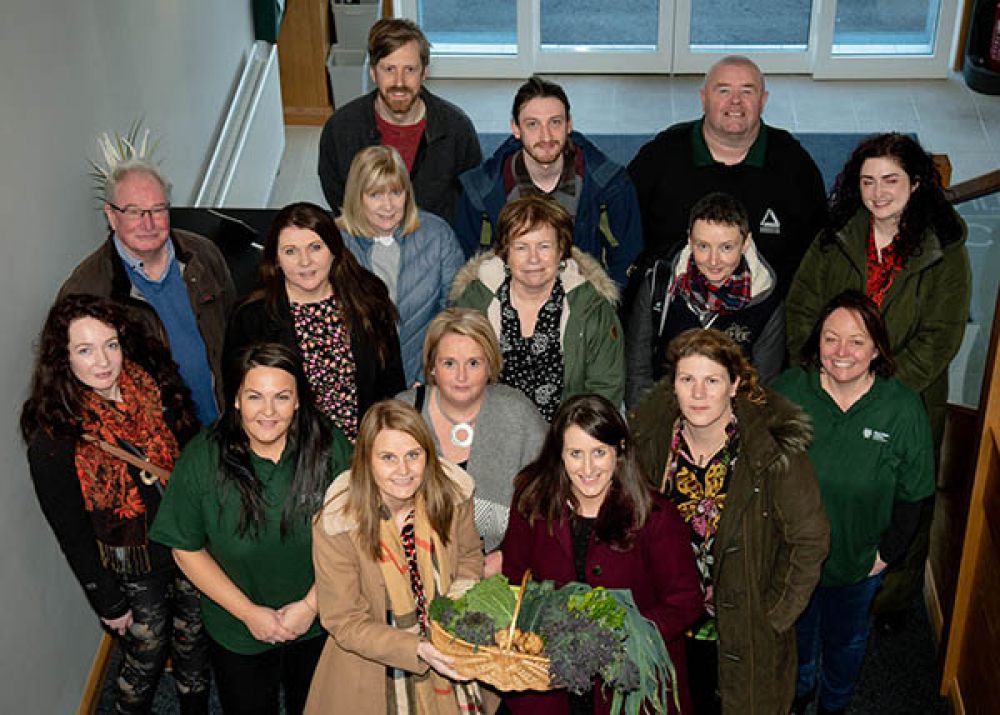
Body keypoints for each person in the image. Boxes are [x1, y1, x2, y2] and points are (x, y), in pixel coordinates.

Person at [785, 132, 971, 630]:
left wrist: (878, 388)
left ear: (915, 183)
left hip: (907, 399)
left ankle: (889, 603)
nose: (878, 192)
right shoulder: (836, 236)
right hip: (829, 393)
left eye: (890, 180)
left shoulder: (944, 247)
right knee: (832, 491)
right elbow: (803, 306)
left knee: (904, 502)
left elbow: (940, 335)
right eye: (867, 181)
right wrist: (821, 371)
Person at [20, 294, 210, 714]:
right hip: (133, 570)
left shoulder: (154, 386)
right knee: (145, 658)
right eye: (85, 350)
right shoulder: (53, 439)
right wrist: (107, 600)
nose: (103, 361)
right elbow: (70, 533)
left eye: (111, 344)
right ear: (63, 357)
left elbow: (191, 461)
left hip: (184, 545)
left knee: (194, 638)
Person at [629, 328, 829, 715]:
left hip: (744, 627)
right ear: (674, 386)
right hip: (670, 624)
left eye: (712, 380)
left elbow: (811, 540)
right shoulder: (649, 444)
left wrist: (776, 614)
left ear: (734, 385)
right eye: (687, 379)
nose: (699, 393)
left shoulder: (772, 453)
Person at [149, 343, 353, 715]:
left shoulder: (329, 446)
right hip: (237, 629)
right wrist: (248, 613)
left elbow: (357, 531)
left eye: (282, 397)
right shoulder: (202, 458)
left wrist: (312, 605)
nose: (269, 412)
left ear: (298, 402)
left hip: (321, 618)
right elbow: (186, 549)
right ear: (237, 400)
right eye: (255, 396)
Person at [775, 291, 934, 715]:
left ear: (877, 348)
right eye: (831, 339)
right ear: (817, 343)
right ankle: (796, 698)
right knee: (796, 643)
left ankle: (833, 706)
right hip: (793, 561)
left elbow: (914, 495)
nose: (841, 352)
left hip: (858, 565)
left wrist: (883, 557)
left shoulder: (902, 409)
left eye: (857, 341)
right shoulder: (788, 391)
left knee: (845, 646)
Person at [501, 394, 704, 715]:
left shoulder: (655, 515)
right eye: (575, 454)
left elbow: (687, 601)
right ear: (559, 455)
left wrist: (625, 635)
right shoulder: (532, 503)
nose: (588, 468)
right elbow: (513, 582)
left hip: (632, 686)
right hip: (550, 685)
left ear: (619, 450)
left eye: (599, 453)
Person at [305, 400, 486, 715]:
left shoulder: (453, 497)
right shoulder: (337, 522)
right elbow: (344, 620)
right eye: (388, 458)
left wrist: (454, 617)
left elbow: (470, 558)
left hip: (450, 648)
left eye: (413, 455)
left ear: (427, 455)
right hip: (372, 666)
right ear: (366, 461)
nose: (403, 471)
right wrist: (418, 649)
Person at [627, 56, 826, 299]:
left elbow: (818, 253)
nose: (735, 101)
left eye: (747, 91)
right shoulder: (659, 157)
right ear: (704, 99)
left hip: (764, 311)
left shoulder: (795, 166)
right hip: (674, 307)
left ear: (763, 101)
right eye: (723, 90)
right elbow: (625, 235)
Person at [60, 159, 236, 426]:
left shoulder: (204, 255)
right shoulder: (87, 290)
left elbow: (237, 334)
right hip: (156, 448)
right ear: (111, 215)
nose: (148, 223)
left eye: (157, 209)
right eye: (133, 212)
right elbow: (72, 384)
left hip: (226, 426)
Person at [224, 202, 405, 442]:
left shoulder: (369, 301)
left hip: (363, 452)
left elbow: (391, 389)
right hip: (290, 459)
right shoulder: (250, 318)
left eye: (315, 247)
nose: (305, 261)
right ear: (276, 259)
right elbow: (237, 401)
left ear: (333, 249)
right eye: (290, 251)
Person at [454, 76, 642, 288]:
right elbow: (469, 269)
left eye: (555, 122)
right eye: (532, 124)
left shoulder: (611, 186)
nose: (546, 136)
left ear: (569, 124)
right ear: (516, 129)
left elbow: (626, 262)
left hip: (586, 303)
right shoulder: (480, 192)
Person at [397, 307, 546, 573]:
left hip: (498, 570)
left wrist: (509, 556)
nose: (462, 376)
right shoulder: (404, 413)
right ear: (431, 367)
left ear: (490, 365)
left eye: (474, 363)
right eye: (449, 363)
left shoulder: (518, 413)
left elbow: (549, 500)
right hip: (412, 569)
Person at [451, 196, 625, 419]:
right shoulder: (473, 303)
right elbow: (452, 379)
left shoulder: (592, 309)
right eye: (521, 247)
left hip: (568, 439)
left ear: (561, 249)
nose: (533, 259)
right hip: (488, 433)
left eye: (544, 246)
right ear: (506, 253)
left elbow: (605, 391)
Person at [625, 192, 784, 409]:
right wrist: (645, 428)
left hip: (731, 421)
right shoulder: (659, 284)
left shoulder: (766, 300)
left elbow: (762, 387)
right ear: (689, 240)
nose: (713, 260)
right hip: (662, 413)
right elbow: (637, 371)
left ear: (746, 243)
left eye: (726, 247)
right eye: (702, 246)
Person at [318, 18, 482, 225]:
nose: (399, 82)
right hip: (366, 240)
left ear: (424, 72)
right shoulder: (340, 129)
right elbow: (338, 197)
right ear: (372, 72)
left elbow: (471, 199)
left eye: (410, 70)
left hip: (434, 243)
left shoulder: (456, 129)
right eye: (389, 69)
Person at [336, 145, 465, 385]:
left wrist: (430, 374)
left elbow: (456, 312)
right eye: (375, 195)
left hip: (426, 376)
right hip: (358, 384)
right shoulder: (334, 243)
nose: (388, 206)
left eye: (396, 193)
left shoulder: (437, 234)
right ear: (357, 197)